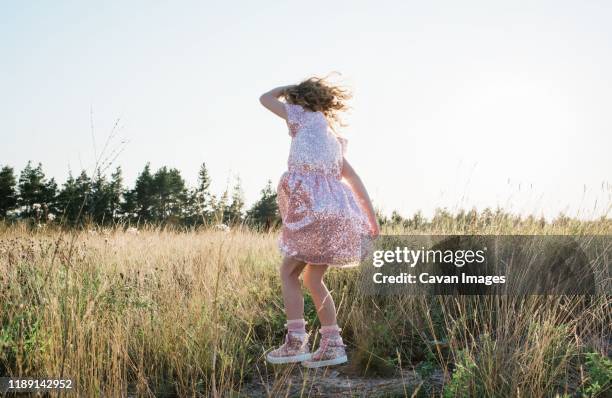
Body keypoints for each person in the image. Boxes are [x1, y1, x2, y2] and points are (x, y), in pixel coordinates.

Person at [259, 76, 379, 368]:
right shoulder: (333, 140)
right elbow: (355, 179)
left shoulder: (299, 114)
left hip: (312, 211)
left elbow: (265, 98)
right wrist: (371, 218)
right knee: (313, 278)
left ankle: (296, 341)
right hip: (337, 214)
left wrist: (288, 89)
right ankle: (332, 344)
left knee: (289, 272)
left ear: (301, 100)